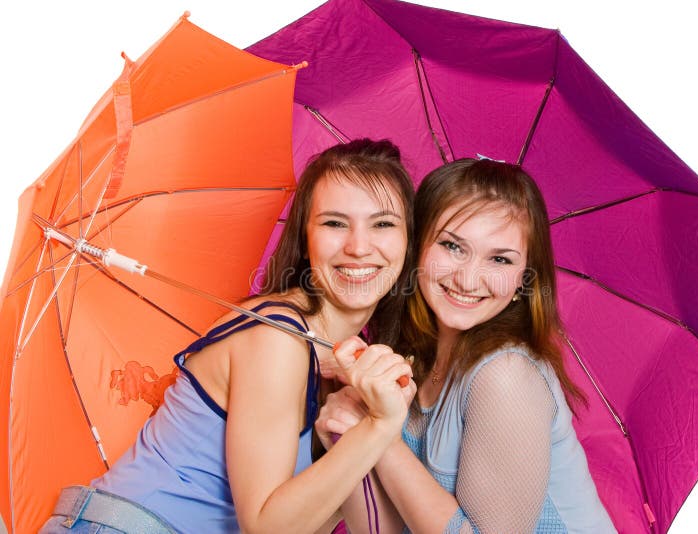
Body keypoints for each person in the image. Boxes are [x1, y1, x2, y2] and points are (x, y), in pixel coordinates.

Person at [40, 139, 417, 534]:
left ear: (408, 242)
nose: (358, 247)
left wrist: (342, 440)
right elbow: (267, 528)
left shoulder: (324, 360)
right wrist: (379, 426)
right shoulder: (277, 338)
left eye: (383, 224)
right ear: (306, 239)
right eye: (334, 223)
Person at [316, 158, 616, 533]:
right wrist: (349, 434)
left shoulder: (505, 377)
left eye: (500, 259)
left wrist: (380, 431)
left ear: (524, 277)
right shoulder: (411, 360)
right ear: (417, 244)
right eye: (453, 246)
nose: (468, 278)